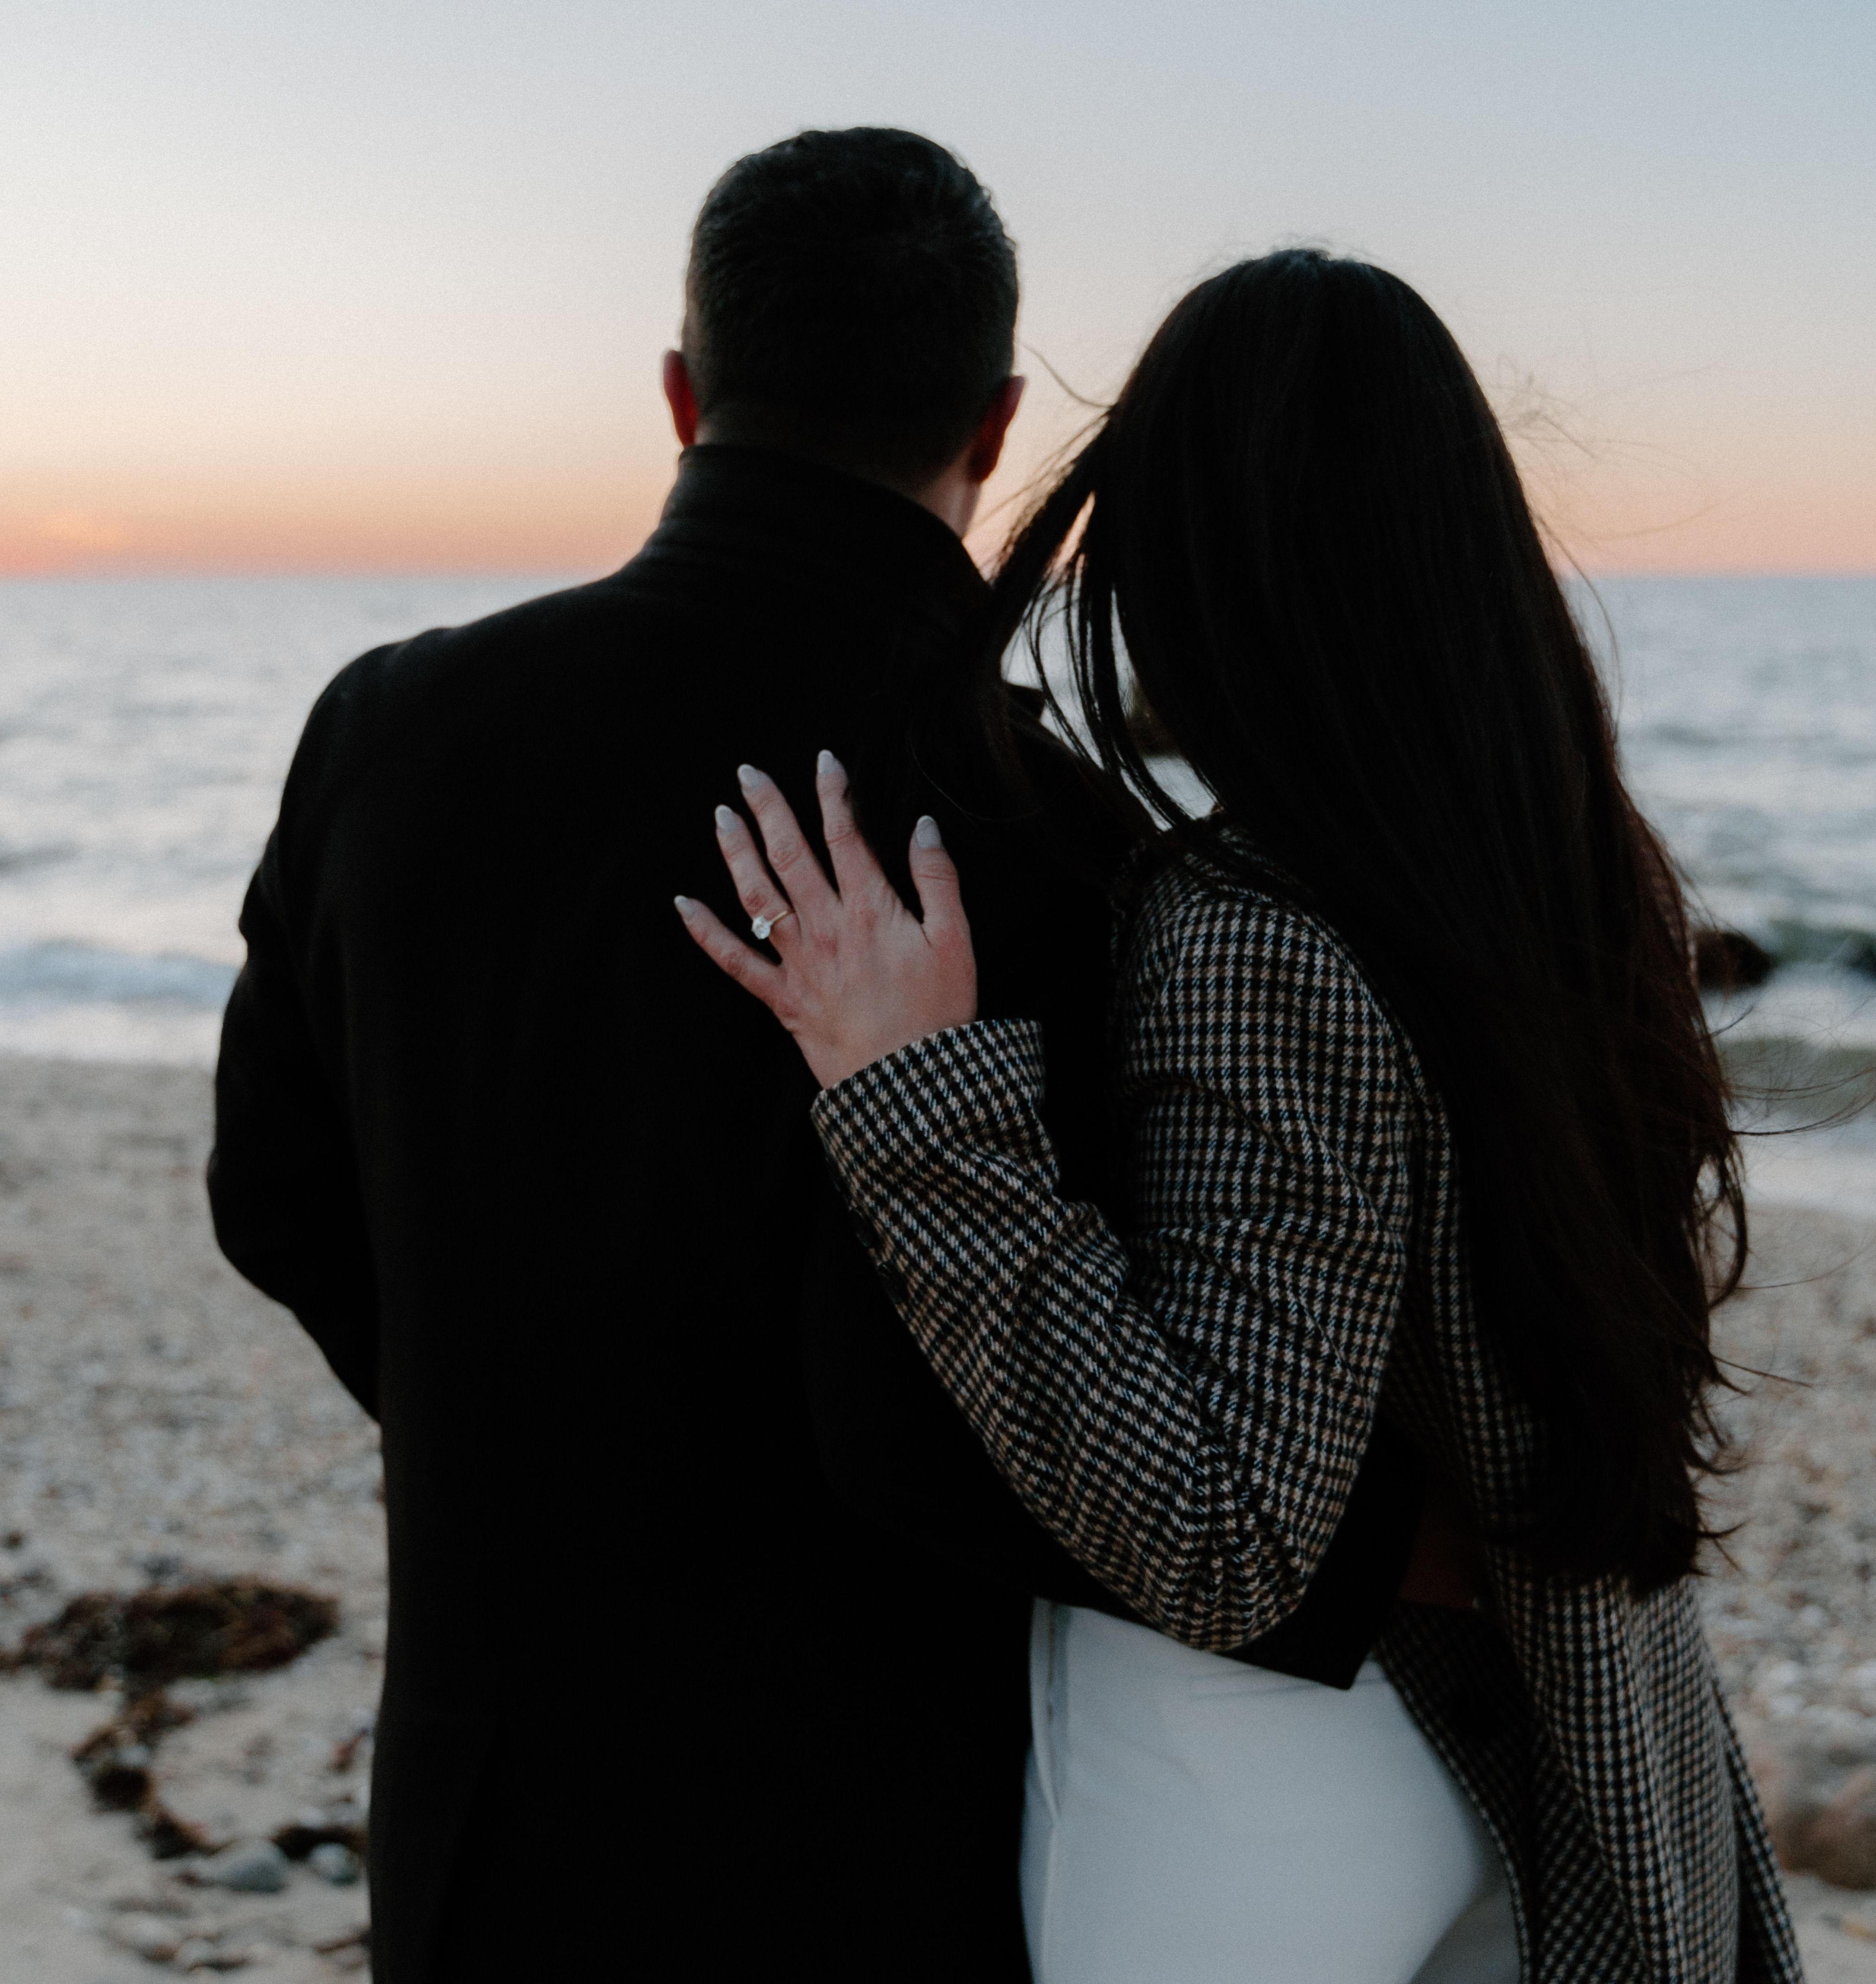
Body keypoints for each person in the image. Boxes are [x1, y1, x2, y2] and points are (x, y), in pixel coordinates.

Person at [208, 138, 1415, 1980]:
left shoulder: (390, 731)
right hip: (888, 1835)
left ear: (683, 393)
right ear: (996, 424)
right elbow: (1128, 1367)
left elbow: (271, 1190)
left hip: (493, 1804)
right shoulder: (1055, 839)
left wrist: (492, 1396)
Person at [678, 249, 1805, 1981]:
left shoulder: (1246, 929)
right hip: (1538, 1721)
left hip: (1253, 1775)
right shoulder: (1562, 884)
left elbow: (1221, 1523)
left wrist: (915, 1097)